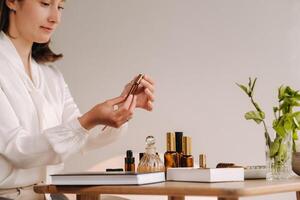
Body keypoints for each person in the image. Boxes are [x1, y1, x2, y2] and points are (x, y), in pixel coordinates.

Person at [0, 0, 155, 199]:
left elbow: (80, 137)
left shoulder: (51, 76)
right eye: (45, 3)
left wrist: (123, 104)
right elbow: (19, 150)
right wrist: (88, 120)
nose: (55, 18)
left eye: (60, 7)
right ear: (12, 2)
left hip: (49, 194)